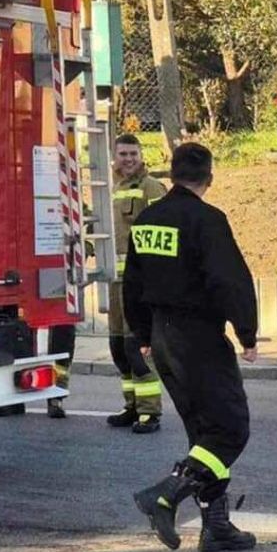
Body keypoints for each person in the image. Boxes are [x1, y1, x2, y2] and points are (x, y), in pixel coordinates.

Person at [125, 142, 259, 552]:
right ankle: (165, 494)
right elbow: (229, 280)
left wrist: (144, 335)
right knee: (230, 429)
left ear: (171, 173)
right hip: (198, 337)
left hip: (163, 340)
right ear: (209, 178)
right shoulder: (207, 220)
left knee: (204, 433)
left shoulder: (147, 220)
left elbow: (131, 283)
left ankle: (216, 525)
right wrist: (247, 334)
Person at [106, 134, 168, 434]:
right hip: (115, 283)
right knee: (118, 347)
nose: (128, 159)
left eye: (133, 153)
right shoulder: (111, 187)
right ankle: (131, 406)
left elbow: (166, 229)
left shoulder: (152, 188)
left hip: (139, 285)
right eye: (123, 154)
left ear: (141, 155)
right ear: (114, 156)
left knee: (137, 347)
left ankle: (149, 412)